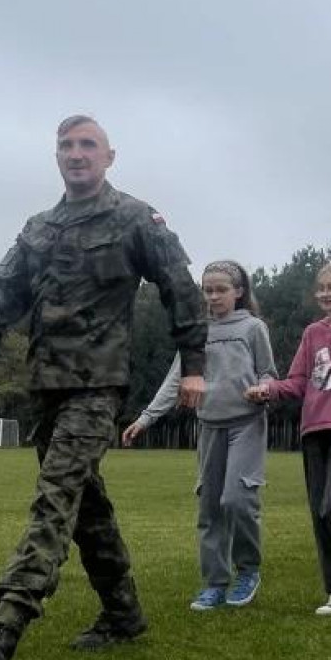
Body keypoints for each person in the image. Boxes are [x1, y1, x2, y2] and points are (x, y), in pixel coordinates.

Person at [0, 115, 207, 660]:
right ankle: (123, 612)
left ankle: (1, 634)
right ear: (56, 156)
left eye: (88, 145)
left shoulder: (136, 218)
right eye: (66, 145)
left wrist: (195, 367)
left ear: (109, 156)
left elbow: (180, 288)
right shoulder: (39, 228)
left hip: (98, 386)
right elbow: (1, 289)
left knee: (54, 500)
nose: (76, 154)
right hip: (46, 386)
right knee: (86, 506)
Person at [121, 260, 273, 611]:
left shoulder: (253, 328)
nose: (213, 297)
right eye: (208, 290)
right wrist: (146, 418)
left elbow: (268, 373)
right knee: (210, 507)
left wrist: (263, 389)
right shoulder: (197, 332)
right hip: (209, 426)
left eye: (221, 290)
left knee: (237, 500)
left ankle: (248, 569)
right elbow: (176, 379)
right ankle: (215, 583)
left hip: (247, 423)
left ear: (239, 291)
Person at [246, 262, 331, 613]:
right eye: (320, 288)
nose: (325, 294)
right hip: (313, 429)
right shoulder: (310, 332)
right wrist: (268, 389)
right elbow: (299, 381)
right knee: (320, 515)